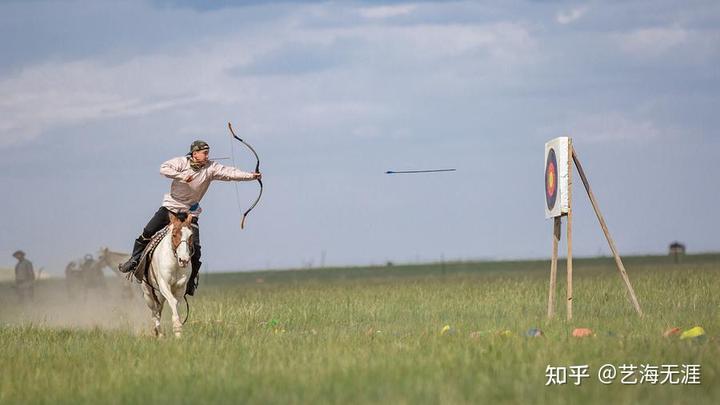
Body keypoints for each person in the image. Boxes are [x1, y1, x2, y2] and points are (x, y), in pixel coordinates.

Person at [118, 140, 261, 295]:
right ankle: (134, 261)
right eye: (204, 153)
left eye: (208, 153)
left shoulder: (211, 168)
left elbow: (230, 173)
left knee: (196, 249)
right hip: (170, 208)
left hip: (189, 214)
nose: (207, 156)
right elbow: (163, 168)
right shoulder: (181, 162)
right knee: (147, 232)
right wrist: (181, 176)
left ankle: (190, 282)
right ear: (194, 153)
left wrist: (252, 176)